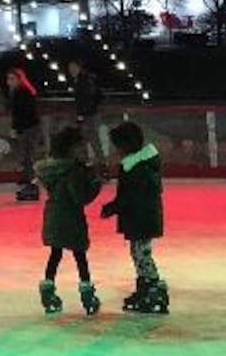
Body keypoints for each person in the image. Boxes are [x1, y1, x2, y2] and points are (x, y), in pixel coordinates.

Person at [100, 118, 168, 313]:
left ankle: (153, 290)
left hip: (141, 218)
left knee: (142, 255)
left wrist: (112, 208)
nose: (116, 151)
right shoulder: (140, 164)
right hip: (142, 217)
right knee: (139, 253)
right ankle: (146, 288)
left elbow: (130, 196)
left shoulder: (136, 168)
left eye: (118, 146)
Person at [36, 124, 102, 314]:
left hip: (53, 215)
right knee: (80, 255)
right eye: (80, 147)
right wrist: (95, 183)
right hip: (70, 217)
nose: (84, 150)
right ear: (71, 149)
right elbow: (81, 197)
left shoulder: (53, 170)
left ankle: (48, 289)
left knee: (55, 254)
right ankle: (86, 291)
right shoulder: (72, 171)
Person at [4, 62, 43, 202]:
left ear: (19, 79)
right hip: (27, 128)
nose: (9, 82)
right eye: (8, 79)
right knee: (26, 158)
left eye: (12, 79)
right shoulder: (19, 92)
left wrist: (16, 129)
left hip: (28, 129)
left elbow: (22, 114)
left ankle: (32, 187)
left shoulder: (23, 92)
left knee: (28, 158)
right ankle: (29, 184)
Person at [66, 57, 104, 160]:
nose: (71, 70)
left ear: (79, 67)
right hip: (89, 113)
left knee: (91, 139)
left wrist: (81, 114)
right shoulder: (82, 79)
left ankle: (98, 161)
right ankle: (94, 161)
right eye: (70, 68)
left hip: (89, 114)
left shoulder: (83, 80)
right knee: (88, 139)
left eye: (73, 67)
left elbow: (86, 99)